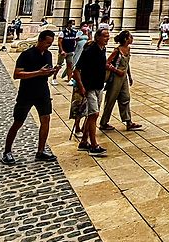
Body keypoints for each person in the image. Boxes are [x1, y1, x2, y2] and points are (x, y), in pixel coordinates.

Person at [1, 30, 60, 165]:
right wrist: (38, 72)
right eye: (47, 43)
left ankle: (40, 151)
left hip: (43, 92)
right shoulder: (26, 55)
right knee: (18, 122)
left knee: (45, 120)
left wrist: (52, 72)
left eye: (50, 43)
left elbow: (46, 73)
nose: (49, 46)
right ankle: (7, 152)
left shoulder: (48, 55)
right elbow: (17, 74)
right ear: (39, 40)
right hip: (26, 93)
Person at [72, 28, 110, 156]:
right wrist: (81, 86)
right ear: (97, 37)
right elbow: (76, 70)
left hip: (99, 86)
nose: (107, 38)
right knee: (94, 114)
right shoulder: (90, 50)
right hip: (89, 87)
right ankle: (93, 145)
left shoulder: (102, 49)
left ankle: (83, 142)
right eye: (105, 36)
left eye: (108, 36)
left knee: (92, 115)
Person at [100, 31, 143, 132]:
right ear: (125, 39)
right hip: (115, 78)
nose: (132, 39)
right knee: (111, 99)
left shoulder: (128, 49)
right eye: (130, 37)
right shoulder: (117, 51)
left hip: (123, 78)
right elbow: (106, 63)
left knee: (125, 98)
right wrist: (117, 71)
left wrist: (130, 76)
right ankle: (103, 123)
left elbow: (127, 64)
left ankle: (128, 122)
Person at [56, 19, 80, 84]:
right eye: (72, 24)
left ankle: (69, 79)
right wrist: (61, 50)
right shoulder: (62, 32)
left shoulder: (74, 32)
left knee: (70, 65)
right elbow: (59, 42)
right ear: (69, 24)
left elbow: (75, 41)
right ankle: (54, 77)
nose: (73, 25)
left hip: (70, 51)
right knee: (59, 65)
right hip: (64, 51)